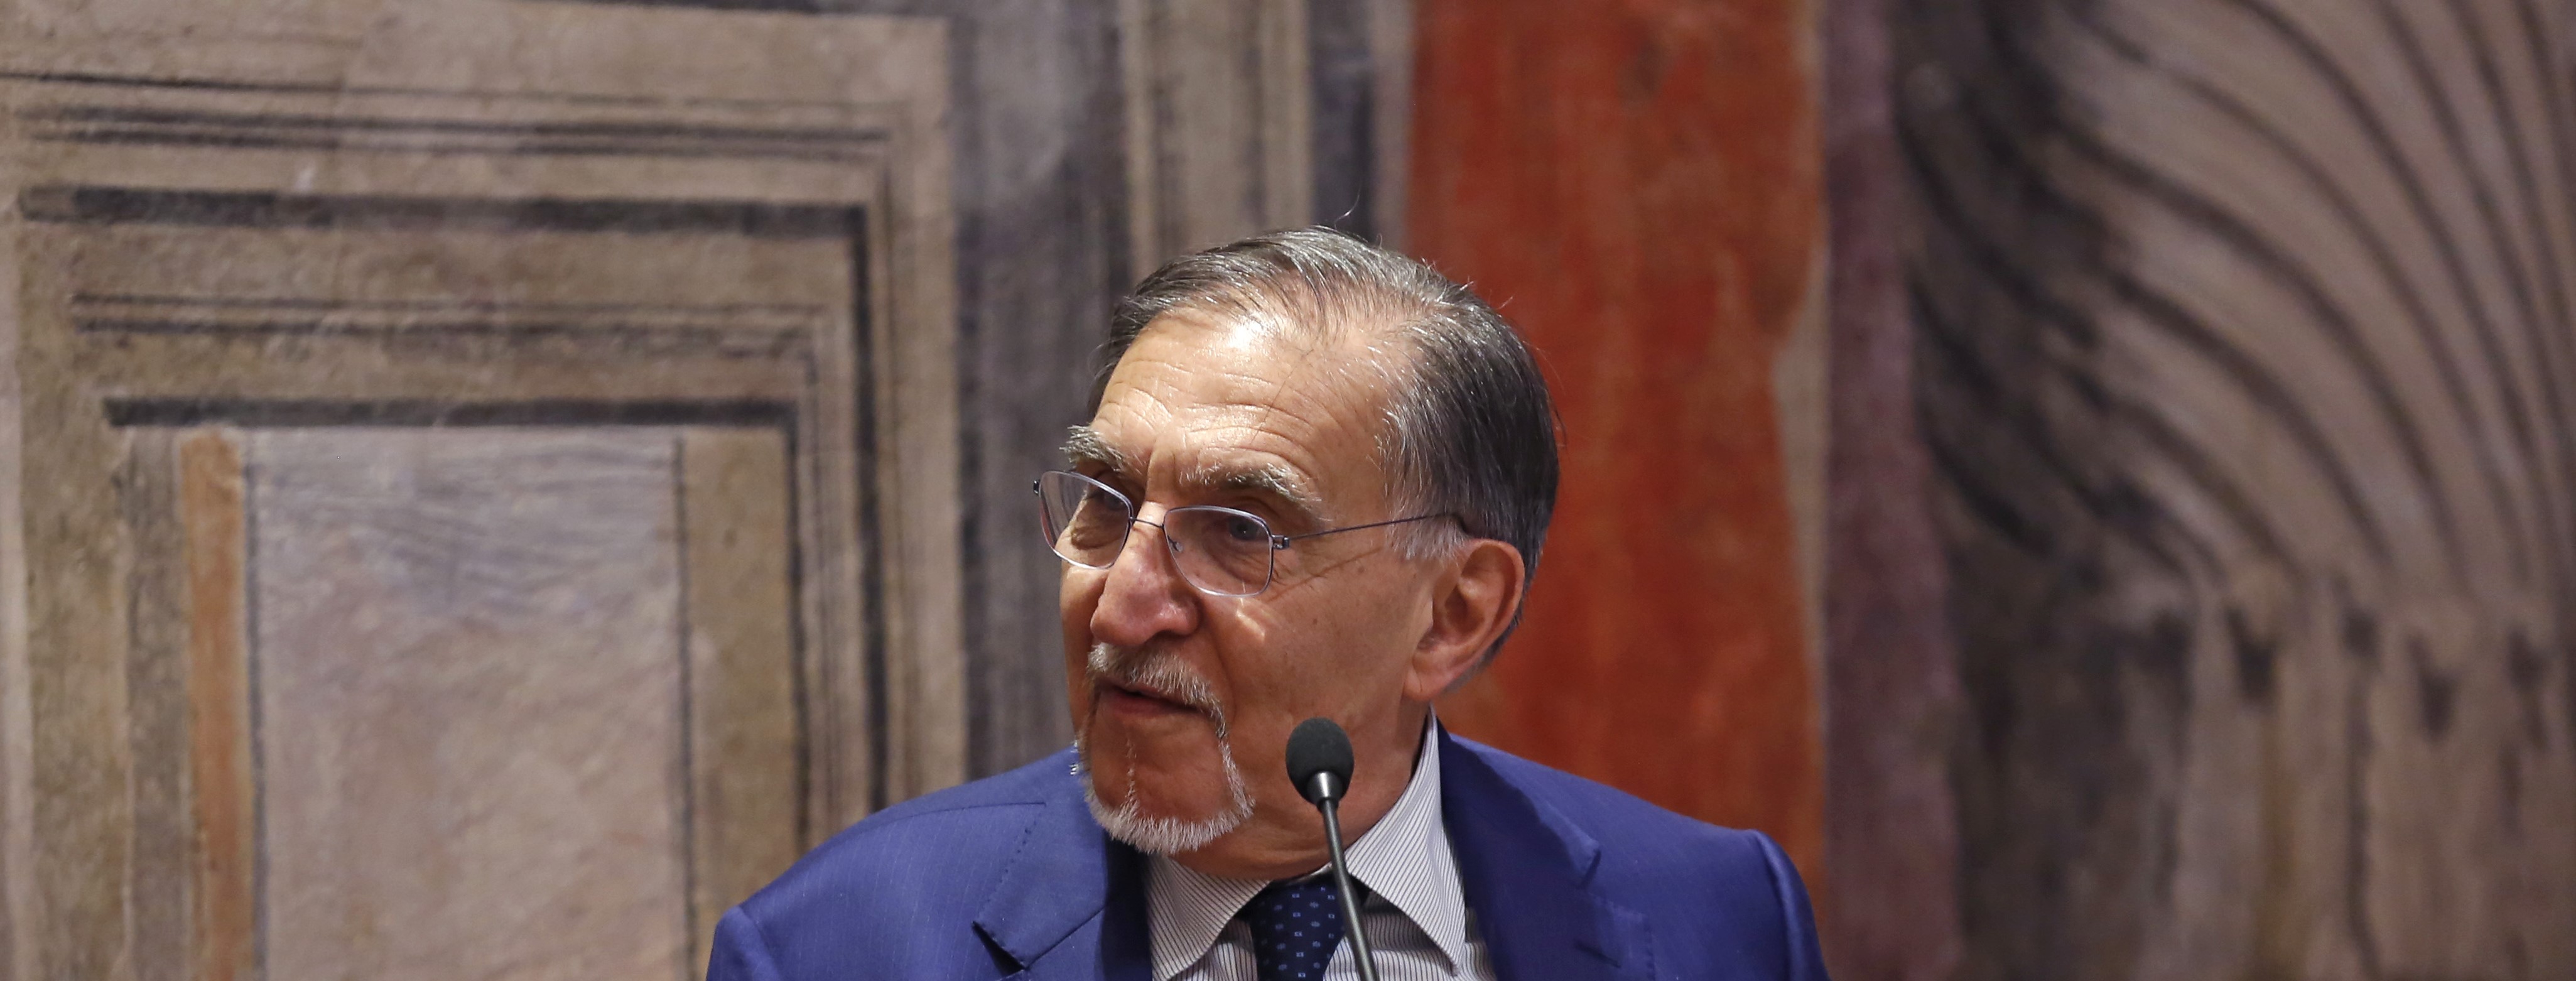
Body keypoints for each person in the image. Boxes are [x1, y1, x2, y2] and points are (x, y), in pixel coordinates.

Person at [708, 229, 1829, 980]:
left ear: (1452, 614)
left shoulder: (1717, 918)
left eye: (1240, 531)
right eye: (1103, 503)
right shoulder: (834, 946)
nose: (1120, 609)